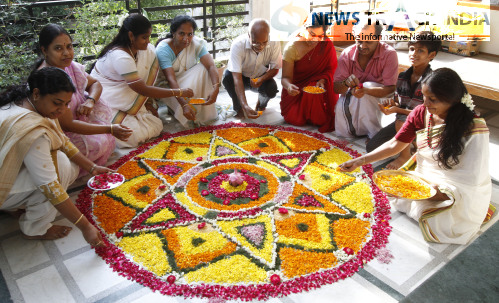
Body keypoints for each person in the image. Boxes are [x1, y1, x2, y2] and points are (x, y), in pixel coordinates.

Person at [339, 68, 491, 245]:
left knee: (443, 224)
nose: (426, 103)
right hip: (427, 175)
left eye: (433, 99)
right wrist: (359, 161)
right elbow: (396, 143)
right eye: (424, 96)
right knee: (400, 193)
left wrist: (439, 193)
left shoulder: (473, 128)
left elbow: (473, 175)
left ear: (453, 100)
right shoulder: (421, 112)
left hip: (459, 185)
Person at [0, 67, 109, 246]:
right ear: (36, 93)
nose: (62, 110)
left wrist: (92, 168)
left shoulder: (26, 102)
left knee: (62, 162)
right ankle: (34, 229)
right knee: (61, 168)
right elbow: (50, 187)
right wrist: (86, 227)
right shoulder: (32, 129)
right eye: (57, 103)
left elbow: (62, 140)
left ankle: (13, 206)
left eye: (66, 104)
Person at [36, 24, 133, 176]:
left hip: (81, 121)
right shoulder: (47, 78)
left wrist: (90, 101)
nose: (67, 53)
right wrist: (110, 129)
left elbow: (95, 84)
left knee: (110, 137)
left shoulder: (69, 66)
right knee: (101, 142)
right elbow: (68, 125)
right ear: (44, 50)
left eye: (69, 46)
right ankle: (83, 167)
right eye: (58, 48)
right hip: (62, 135)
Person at [90, 14, 193, 148]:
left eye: (149, 36)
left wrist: (148, 101)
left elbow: (144, 83)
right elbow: (142, 89)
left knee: (156, 125)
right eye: (144, 37)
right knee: (131, 136)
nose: (148, 42)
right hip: (109, 103)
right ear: (131, 36)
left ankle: (133, 113)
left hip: (128, 103)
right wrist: (179, 92)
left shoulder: (143, 50)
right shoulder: (120, 56)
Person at [366, 31, 441, 169]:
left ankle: (405, 155)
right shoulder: (402, 76)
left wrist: (397, 110)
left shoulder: (432, 81)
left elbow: (423, 112)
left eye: (420, 51)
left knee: (401, 120)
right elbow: (398, 102)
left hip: (423, 125)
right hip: (403, 124)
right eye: (412, 49)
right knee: (372, 147)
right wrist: (391, 105)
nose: (414, 54)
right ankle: (414, 145)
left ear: (431, 55)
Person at [333, 19, 399, 139]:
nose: (362, 46)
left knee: (367, 88)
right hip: (354, 94)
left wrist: (366, 91)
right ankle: (353, 132)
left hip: (378, 96)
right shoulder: (347, 54)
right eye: (359, 40)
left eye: (368, 42)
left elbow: (390, 88)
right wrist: (345, 83)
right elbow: (336, 89)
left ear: (378, 39)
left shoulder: (389, 54)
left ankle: (372, 134)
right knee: (342, 108)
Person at [155, 15, 219, 128]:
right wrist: (184, 105)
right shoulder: (164, 49)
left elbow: (211, 66)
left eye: (190, 34)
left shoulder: (195, 43)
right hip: (168, 87)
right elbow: (171, 79)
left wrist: (216, 88)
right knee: (185, 98)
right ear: (173, 33)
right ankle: (180, 108)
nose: (186, 38)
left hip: (186, 81)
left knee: (203, 68)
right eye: (181, 34)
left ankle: (202, 114)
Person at [280, 14, 338, 133]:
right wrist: (289, 86)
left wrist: (322, 80)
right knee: (293, 118)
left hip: (317, 88)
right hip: (296, 91)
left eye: (320, 36)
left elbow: (331, 69)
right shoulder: (292, 47)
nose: (315, 39)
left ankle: (314, 114)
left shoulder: (326, 44)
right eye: (312, 34)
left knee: (312, 88)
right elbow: (285, 78)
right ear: (304, 27)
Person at [222, 18, 282, 119]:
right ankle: (239, 108)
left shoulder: (274, 43)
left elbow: (275, 68)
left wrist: (261, 79)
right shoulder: (238, 44)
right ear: (249, 36)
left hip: (260, 77)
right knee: (227, 78)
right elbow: (237, 78)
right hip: (242, 77)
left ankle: (261, 105)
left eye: (264, 42)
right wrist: (245, 105)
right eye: (256, 42)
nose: (260, 46)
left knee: (271, 88)